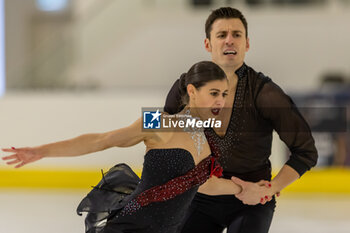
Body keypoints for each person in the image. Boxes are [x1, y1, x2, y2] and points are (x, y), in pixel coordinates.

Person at [2, 61, 272, 233]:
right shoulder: (160, 122)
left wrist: (245, 188)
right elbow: (103, 139)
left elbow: (201, 183)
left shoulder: (208, 137)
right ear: (192, 92)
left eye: (224, 94)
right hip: (132, 225)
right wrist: (42, 151)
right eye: (214, 93)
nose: (221, 101)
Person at [164, 7, 318, 233]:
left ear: (247, 44)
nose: (229, 41)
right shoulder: (186, 87)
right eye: (221, 35)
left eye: (237, 35)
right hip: (200, 198)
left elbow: (306, 151)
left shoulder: (265, 93)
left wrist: (271, 187)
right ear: (208, 44)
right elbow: (158, 131)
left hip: (252, 201)